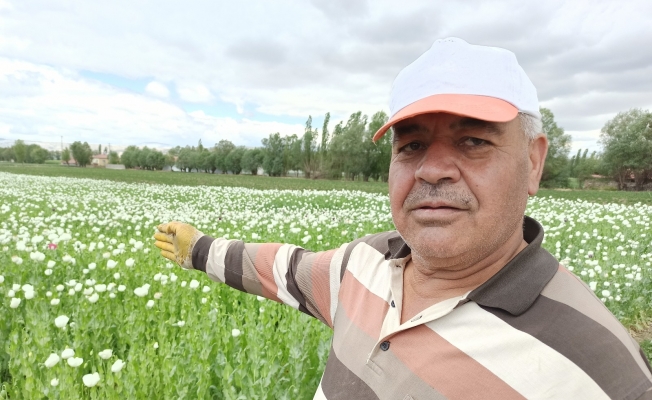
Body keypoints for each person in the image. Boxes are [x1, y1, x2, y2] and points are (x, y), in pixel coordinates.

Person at [154, 38, 652, 399]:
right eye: (411, 145)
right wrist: (198, 249)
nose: (432, 169)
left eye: (473, 141)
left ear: (534, 162)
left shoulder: (598, 372)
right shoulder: (364, 265)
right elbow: (282, 268)